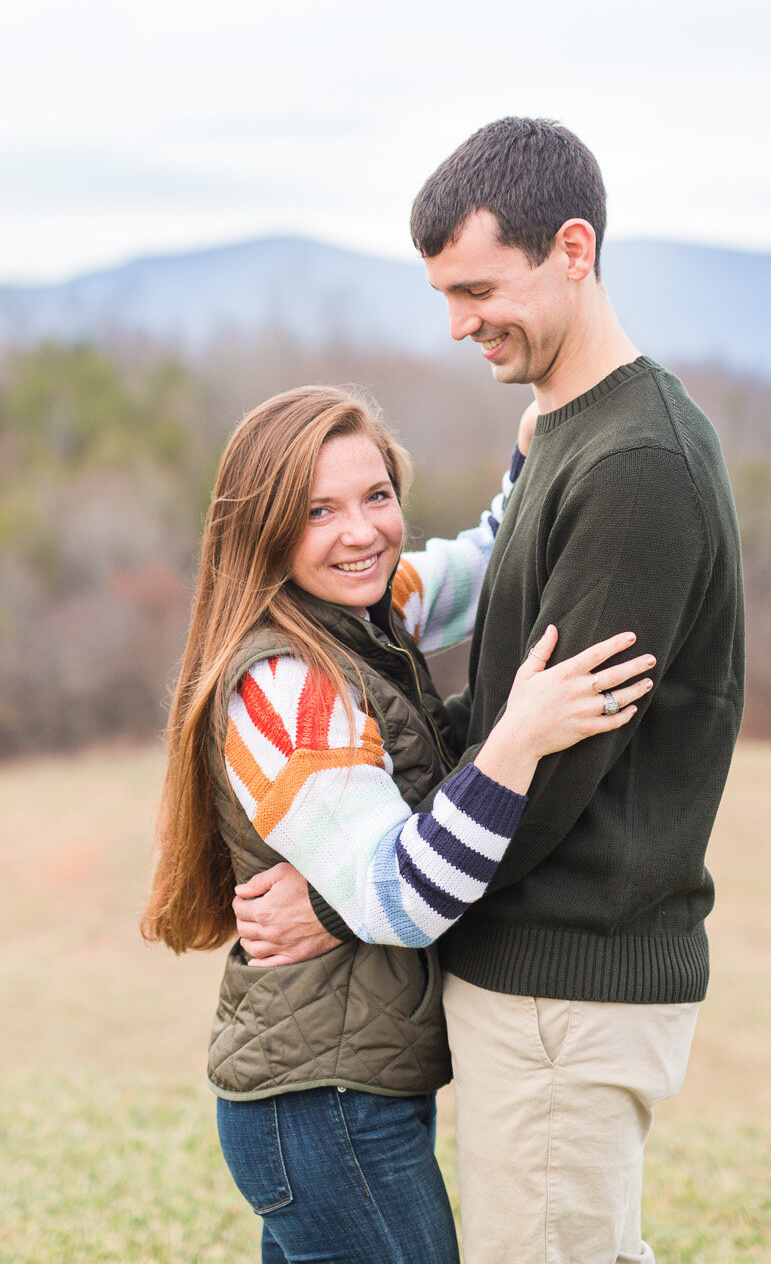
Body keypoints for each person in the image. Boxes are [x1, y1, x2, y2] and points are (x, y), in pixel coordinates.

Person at [233, 118, 745, 1263]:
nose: (458, 322)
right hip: (530, 978)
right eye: (444, 294)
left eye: (476, 288)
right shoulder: (567, 436)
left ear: (572, 248)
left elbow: (552, 765)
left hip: (570, 976)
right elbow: (508, 691)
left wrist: (346, 899)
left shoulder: (634, 465)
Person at [142, 384, 655, 1263]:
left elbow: (487, 561)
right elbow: (400, 900)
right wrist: (518, 737)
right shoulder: (287, 686)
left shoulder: (362, 610)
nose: (362, 531)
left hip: (346, 1091)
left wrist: (536, 455)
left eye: (376, 496)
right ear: (261, 529)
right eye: (318, 510)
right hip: (323, 1107)